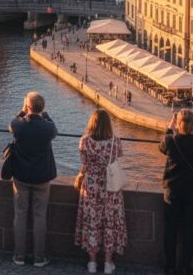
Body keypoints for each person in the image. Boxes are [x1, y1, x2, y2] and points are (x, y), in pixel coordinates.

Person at [75, 110, 127, 274]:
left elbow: (84, 165)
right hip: (110, 188)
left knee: (93, 223)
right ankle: (107, 264)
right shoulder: (115, 142)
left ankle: (92, 263)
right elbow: (116, 159)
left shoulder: (84, 141)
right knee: (109, 224)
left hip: (91, 187)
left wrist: (81, 176)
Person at [10, 92, 58, 267]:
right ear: (42, 108)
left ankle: (19, 256)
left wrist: (23, 111)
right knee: (39, 216)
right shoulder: (48, 128)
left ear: (27, 106)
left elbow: (13, 123)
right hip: (42, 176)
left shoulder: (18, 125)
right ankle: (39, 257)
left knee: (20, 215)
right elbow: (53, 128)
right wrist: (45, 114)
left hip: (21, 175)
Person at [159, 109, 193, 275]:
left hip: (173, 192)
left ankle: (170, 266)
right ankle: (186, 266)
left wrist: (169, 128)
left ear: (178, 124)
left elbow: (162, 147)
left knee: (170, 230)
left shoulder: (171, 140)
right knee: (190, 231)